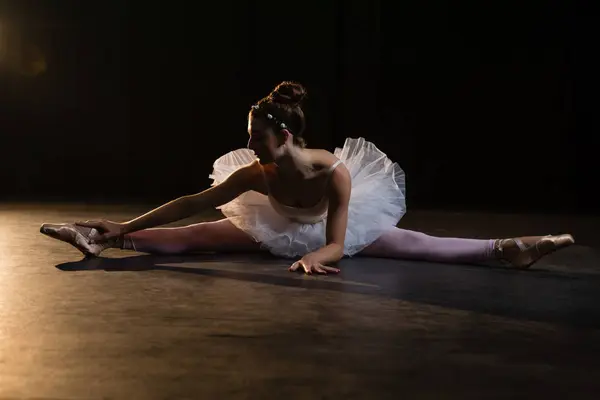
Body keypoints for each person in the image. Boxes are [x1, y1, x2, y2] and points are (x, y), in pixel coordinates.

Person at [40, 81, 574, 274]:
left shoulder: (335, 174)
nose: (250, 144)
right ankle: (103, 236)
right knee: (196, 235)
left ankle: (510, 249)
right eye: (249, 136)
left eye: (257, 136)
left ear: (286, 136)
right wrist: (127, 221)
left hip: (330, 231)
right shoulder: (260, 172)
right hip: (281, 221)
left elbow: (339, 242)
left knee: (419, 245)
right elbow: (191, 202)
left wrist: (315, 257)